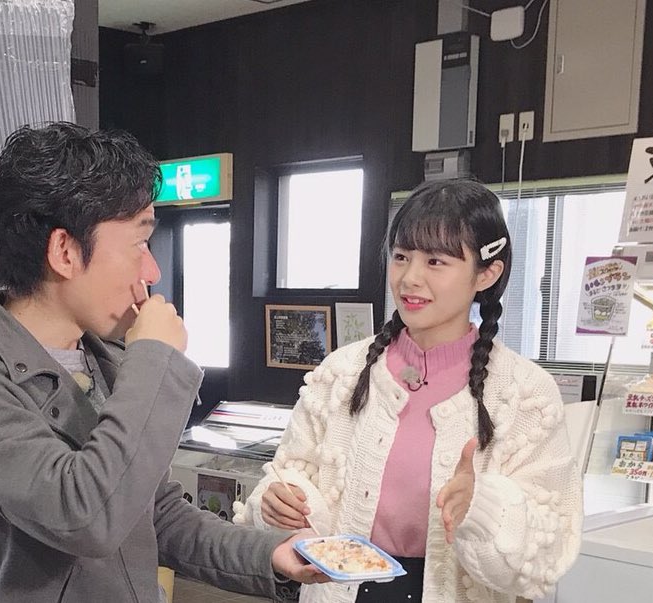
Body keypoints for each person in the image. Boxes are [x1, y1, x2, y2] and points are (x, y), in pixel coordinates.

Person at [0, 122, 325, 603]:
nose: (151, 270)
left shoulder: (105, 358)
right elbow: (87, 516)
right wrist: (155, 358)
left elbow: (157, 515)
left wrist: (269, 554)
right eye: (138, 243)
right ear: (65, 252)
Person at [234, 179, 583, 603]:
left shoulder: (526, 394)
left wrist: (482, 507)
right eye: (401, 257)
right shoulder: (342, 373)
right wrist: (282, 503)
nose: (410, 278)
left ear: (487, 273)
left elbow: (548, 553)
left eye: (436, 261)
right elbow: (289, 478)